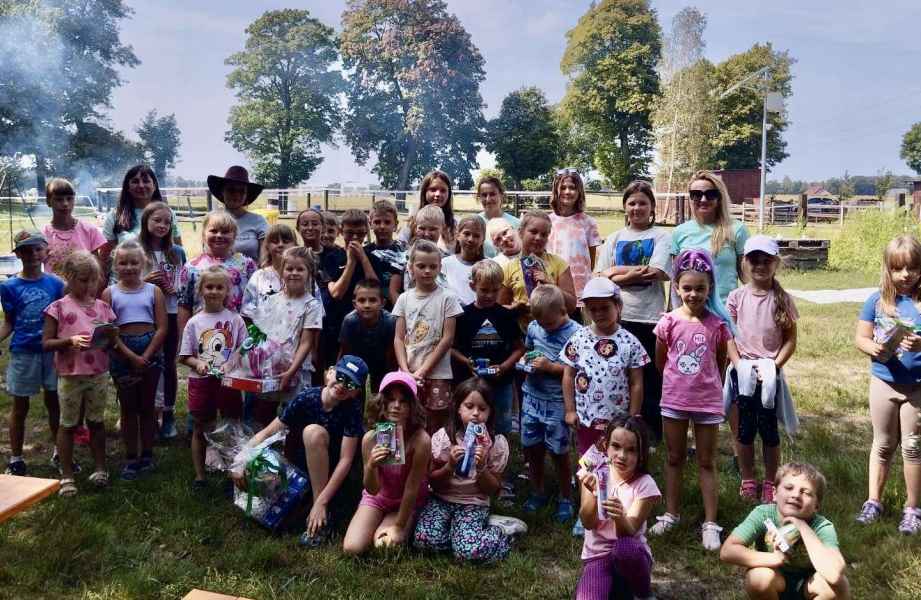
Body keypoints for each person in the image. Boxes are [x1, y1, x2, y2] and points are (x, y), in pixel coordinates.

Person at [651, 249, 734, 550]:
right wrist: (677, 382)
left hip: (707, 402)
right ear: (676, 288)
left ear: (710, 287)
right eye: (687, 288)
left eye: (700, 288)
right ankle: (671, 513)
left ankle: (710, 523)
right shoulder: (668, 322)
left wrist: (708, 384)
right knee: (673, 457)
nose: (694, 294)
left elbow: (721, 360)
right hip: (674, 399)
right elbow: (661, 361)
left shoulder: (717, 325)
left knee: (706, 461)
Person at [238, 356, 368, 547]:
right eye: (340, 377)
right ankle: (307, 506)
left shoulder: (352, 410)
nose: (342, 385)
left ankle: (320, 514)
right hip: (307, 464)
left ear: (356, 392)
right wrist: (241, 459)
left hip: (337, 472)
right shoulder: (307, 398)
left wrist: (321, 502)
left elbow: (346, 460)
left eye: (350, 384)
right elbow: (268, 432)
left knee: (312, 432)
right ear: (329, 372)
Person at [414, 377, 524, 561]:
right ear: (458, 408)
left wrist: (481, 468)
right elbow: (433, 481)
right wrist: (449, 466)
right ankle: (461, 534)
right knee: (423, 540)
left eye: (482, 409)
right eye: (469, 406)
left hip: (473, 502)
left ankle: (502, 532)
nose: (475, 414)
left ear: (490, 412)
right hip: (442, 499)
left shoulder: (495, 444)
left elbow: (493, 489)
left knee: (468, 552)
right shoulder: (444, 438)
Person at [595, 181, 672, 442]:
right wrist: (631, 273)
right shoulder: (615, 238)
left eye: (642, 202)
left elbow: (659, 272)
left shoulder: (662, 236)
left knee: (650, 376)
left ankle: (649, 430)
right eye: (632, 203)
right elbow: (600, 275)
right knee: (620, 373)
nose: (637, 207)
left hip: (650, 317)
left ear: (651, 207)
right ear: (625, 207)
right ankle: (618, 427)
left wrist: (617, 273)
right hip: (620, 317)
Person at [854, 234, 921, 534]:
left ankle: (912, 508)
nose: (905, 275)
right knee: (882, 444)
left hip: (916, 388)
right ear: (888, 269)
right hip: (884, 383)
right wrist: (874, 348)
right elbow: (861, 338)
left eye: (913, 268)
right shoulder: (877, 301)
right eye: (898, 268)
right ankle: (873, 501)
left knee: (912, 446)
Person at [726, 235, 799, 504]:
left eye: (766, 260)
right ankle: (748, 477)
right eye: (754, 260)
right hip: (742, 372)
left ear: (776, 263)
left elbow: (791, 338)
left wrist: (774, 366)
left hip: (769, 373)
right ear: (744, 263)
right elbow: (728, 336)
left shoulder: (783, 300)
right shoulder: (736, 297)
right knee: (744, 429)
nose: (760, 265)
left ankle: (770, 480)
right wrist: (737, 364)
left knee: (768, 430)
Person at [42, 251, 116, 496]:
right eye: (83, 280)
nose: (89, 285)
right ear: (69, 278)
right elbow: (46, 343)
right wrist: (69, 341)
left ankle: (100, 468)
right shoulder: (58, 308)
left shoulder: (103, 308)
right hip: (71, 375)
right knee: (68, 424)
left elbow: (110, 340)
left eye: (93, 280)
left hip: (98, 373)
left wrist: (110, 338)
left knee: (96, 421)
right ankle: (67, 475)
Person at [720, 462, 851, 600]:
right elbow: (728, 551)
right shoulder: (764, 514)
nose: (796, 495)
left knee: (839, 586)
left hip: (808, 586)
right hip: (775, 582)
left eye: (806, 492)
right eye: (789, 488)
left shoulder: (822, 526)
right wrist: (773, 558)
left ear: (816, 506)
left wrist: (802, 527)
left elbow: (835, 574)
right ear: (775, 494)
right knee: (758, 577)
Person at [343, 371, 430, 555]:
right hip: (378, 498)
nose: (396, 406)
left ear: (412, 406)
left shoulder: (420, 440)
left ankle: (401, 525)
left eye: (403, 401)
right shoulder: (370, 439)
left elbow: (412, 488)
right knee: (352, 548)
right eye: (390, 399)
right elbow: (372, 489)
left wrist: (398, 526)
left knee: (383, 546)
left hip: (406, 501)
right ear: (382, 403)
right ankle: (381, 524)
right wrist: (371, 466)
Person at [574, 416, 660, 600]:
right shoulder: (594, 474)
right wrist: (593, 494)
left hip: (630, 552)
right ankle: (611, 585)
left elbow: (630, 531)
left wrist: (620, 516)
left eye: (631, 450)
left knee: (625, 548)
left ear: (641, 455)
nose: (622, 455)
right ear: (606, 446)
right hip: (597, 554)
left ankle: (643, 593)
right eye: (616, 446)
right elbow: (587, 523)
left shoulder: (645, 484)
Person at [178, 266, 248, 487]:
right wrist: (198, 363)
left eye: (220, 287)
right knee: (201, 426)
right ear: (200, 289)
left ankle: (233, 469)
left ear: (227, 291)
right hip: (201, 383)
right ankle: (200, 475)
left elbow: (243, 347)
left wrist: (231, 363)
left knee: (232, 424)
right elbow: (184, 356)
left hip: (228, 382)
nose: (214, 291)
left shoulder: (235, 320)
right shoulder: (194, 322)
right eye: (209, 286)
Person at [1, 231, 65, 476]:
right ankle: (16, 458)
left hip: (51, 351)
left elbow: (63, 318)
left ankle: (60, 452)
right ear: (17, 254)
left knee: (55, 403)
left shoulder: (56, 284)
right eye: (25, 250)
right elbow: (9, 322)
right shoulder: (8, 287)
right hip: (23, 353)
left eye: (37, 249)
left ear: (46, 250)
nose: (32, 254)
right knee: (20, 407)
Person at [103, 240, 167, 480]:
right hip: (121, 352)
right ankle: (131, 457)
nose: (129, 267)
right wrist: (130, 356)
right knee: (128, 408)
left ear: (143, 264)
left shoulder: (154, 291)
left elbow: (162, 327)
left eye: (134, 262)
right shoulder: (109, 293)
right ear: (115, 265)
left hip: (150, 349)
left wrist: (146, 355)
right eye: (123, 262)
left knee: (147, 406)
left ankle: (147, 454)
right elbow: (108, 331)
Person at [520, 284, 581, 522]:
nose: (544, 328)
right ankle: (538, 491)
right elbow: (529, 350)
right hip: (532, 396)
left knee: (559, 451)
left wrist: (550, 367)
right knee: (532, 447)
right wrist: (527, 361)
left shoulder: (575, 333)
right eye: (540, 323)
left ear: (563, 310)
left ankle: (565, 497)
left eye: (549, 324)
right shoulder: (535, 327)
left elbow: (576, 369)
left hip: (557, 402)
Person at [243, 246, 323, 427]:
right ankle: (264, 450)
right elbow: (261, 334)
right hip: (270, 370)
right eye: (289, 268)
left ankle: (291, 451)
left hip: (296, 370)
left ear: (309, 273)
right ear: (282, 271)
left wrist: (291, 372)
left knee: (294, 417)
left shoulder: (311, 305)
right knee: (264, 414)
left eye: (300, 269)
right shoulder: (271, 300)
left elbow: (306, 342)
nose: (294, 273)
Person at [393, 239, 464, 434]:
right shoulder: (404, 298)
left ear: (440, 268)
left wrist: (423, 371)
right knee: (407, 420)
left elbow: (447, 339)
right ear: (410, 267)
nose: (427, 271)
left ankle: (436, 463)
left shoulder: (447, 298)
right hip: (408, 372)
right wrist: (406, 371)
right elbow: (399, 338)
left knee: (436, 425)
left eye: (432, 266)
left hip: (437, 374)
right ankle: (408, 462)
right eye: (421, 266)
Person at [452, 260, 525, 441]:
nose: (490, 295)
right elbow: (450, 348)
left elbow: (519, 348)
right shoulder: (463, 315)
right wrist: (465, 361)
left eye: (495, 290)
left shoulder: (505, 316)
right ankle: (469, 458)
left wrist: (505, 366)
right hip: (471, 384)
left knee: (501, 424)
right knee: (469, 422)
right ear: (472, 286)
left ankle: (499, 459)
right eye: (484, 290)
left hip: (501, 382)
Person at [138, 201, 188, 439]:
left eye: (167, 222)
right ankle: (146, 415)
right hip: (142, 315)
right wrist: (146, 281)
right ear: (146, 221)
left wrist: (170, 287)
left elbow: (184, 287)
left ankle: (167, 414)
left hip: (169, 313)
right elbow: (122, 285)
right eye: (157, 220)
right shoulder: (135, 250)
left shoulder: (176, 252)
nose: (162, 225)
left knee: (168, 364)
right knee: (147, 363)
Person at [671, 170, 750, 305]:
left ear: (719, 198)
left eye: (710, 194)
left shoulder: (737, 229)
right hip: (691, 313)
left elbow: (747, 276)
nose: (703, 200)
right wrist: (673, 313)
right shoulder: (679, 232)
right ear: (690, 198)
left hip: (726, 312)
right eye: (696, 195)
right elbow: (675, 281)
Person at [316, 209, 379, 375]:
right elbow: (336, 293)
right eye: (350, 233)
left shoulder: (372, 256)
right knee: (332, 371)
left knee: (357, 373)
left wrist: (363, 258)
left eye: (360, 234)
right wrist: (351, 262)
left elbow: (375, 287)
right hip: (334, 323)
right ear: (341, 231)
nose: (355, 238)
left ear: (366, 232)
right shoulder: (331, 257)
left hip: (362, 324)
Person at [177, 211, 257, 333]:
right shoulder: (191, 267)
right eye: (214, 231)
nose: (219, 235)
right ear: (204, 234)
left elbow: (254, 302)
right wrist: (182, 343)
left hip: (238, 334)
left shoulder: (247, 265)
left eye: (225, 232)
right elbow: (184, 306)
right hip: (202, 333)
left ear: (235, 235)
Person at [501, 210, 577, 331]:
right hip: (522, 335)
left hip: (555, 334)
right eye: (533, 232)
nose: (538, 238)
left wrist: (551, 285)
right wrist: (515, 308)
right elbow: (500, 308)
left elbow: (572, 306)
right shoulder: (509, 268)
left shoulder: (559, 264)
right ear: (520, 232)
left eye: (544, 234)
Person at [547, 169, 602, 304]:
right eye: (563, 187)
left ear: (579, 192)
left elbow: (591, 259)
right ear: (556, 190)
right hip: (553, 286)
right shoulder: (547, 221)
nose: (567, 192)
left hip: (580, 289)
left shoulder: (588, 222)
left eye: (572, 188)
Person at [102, 164, 183, 251]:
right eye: (135, 181)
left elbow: (177, 250)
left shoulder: (168, 213)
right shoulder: (115, 216)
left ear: (154, 185)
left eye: (146, 181)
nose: (141, 185)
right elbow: (107, 256)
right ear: (127, 187)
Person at [338, 279, 398, 393]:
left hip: (382, 362)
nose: (367, 305)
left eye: (372, 300)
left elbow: (392, 357)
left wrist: (391, 379)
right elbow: (344, 352)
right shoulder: (350, 321)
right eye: (362, 300)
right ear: (354, 304)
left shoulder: (390, 322)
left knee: (381, 393)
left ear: (382, 303)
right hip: (356, 362)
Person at [40, 177, 106, 278]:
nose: (65, 204)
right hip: (55, 293)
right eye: (59, 199)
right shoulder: (42, 235)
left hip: (84, 292)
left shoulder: (89, 230)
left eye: (69, 199)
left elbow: (97, 270)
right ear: (49, 202)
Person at [388, 204, 449, 305]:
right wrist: (403, 312)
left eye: (432, 229)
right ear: (415, 228)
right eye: (422, 228)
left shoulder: (446, 259)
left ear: (442, 228)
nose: (427, 233)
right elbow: (393, 291)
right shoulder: (403, 258)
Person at [206, 165, 269, 262]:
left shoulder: (258, 221)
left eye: (241, 191)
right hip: (217, 274)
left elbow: (265, 258)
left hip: (251, 275)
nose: (236, 195)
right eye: (231, 190)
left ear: (246, 195)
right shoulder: (212, 220)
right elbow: (206, 254)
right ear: (222, 192)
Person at [241, 224, 299, 312]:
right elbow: (247, 313)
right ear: (267, 246)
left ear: (295, 245)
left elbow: (315, 314)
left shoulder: (305, 276)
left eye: (286, 241)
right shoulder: (258, 277)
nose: (280, 245)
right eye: (275, 242)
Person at [398, 170, 456, 251]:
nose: (438, 194)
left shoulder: (456, 226)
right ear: (424, 192)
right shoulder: (410, 225)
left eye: (443, 190)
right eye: (433, 189)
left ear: (449, 194)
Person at [364, 199, 406, 304]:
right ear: (370, 224)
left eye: (387, 222)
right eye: (377, 222)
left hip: (398, 305)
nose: (382, 226)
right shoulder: (364, 253)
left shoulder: (404, 251)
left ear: (395, 225)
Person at [441, 215, 487, 305]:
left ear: (483, 240)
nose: (470, 239)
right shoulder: (445, 264)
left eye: (476, 236)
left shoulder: (489, 266)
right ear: (458, 235)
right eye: (466, 234)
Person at [476, 175, 520, 257]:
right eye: (484, 195)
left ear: (501, 195)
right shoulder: (474, 223)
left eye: (492, 194)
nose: (488, 199)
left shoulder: (516, 223)